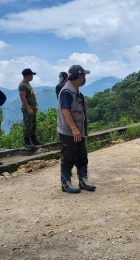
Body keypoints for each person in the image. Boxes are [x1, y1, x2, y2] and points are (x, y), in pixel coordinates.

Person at [57, 65, 96, 193]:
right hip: (69, 132)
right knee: (69, 157)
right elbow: (65, 111)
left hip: (78, 131)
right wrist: (74, 129)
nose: (85, 79)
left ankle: (83, 180)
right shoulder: (67, 92)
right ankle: (65, 183)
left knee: (82, 156)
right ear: (79, 76)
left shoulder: (76, 91)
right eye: (84, 76)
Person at [18, 68, 44, 148]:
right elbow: (22, 97)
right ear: (27, 75)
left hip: (32, 108)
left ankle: (34, 140)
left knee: (33, 125)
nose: (32, 77)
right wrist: (28, 108)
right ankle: (27, 142)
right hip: (28, 109)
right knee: (28, 125)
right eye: (31, 75)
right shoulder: (22, 85)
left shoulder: (28, 84)